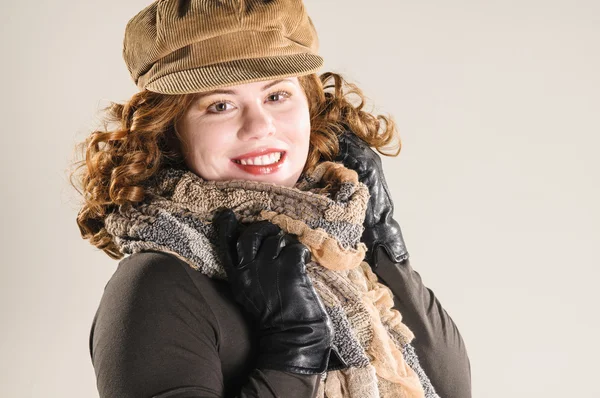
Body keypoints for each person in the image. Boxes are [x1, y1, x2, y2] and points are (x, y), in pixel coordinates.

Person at [71, 1, 471, 397]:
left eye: (277, 96)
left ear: (310, 107)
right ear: (169, 131)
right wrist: (293, 347)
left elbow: (450, 388)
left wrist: (380, 243)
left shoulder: (339, 249)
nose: (260, 125)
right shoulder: (156, 286)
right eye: (220, 105)